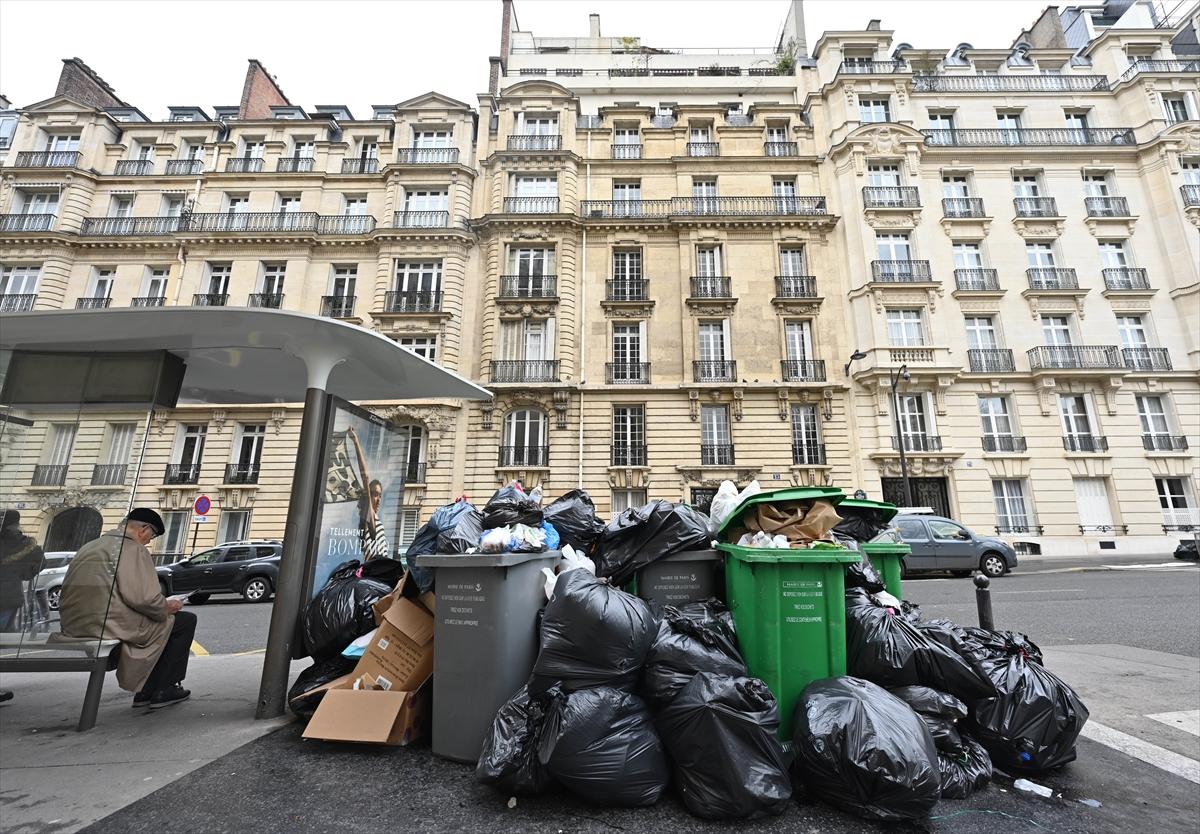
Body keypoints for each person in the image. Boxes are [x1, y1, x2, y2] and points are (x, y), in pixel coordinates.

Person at [59, 508, 197, 709]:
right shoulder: (133, 549)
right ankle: (162, 689)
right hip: (108, 625)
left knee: (166, 622)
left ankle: (146, 690)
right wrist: (167, 606)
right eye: (152, 536)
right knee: (184, 621)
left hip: (74, 626)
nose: (149, 541)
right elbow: (144, 599)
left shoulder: (90, 546)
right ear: (144, 529)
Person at [347, 426, 390, 561]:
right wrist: (356, 442)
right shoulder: (368, 516)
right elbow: (365, 476)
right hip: (375, 568)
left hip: (378, 568)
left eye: (380, 495)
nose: (378, 499)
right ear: (368, 496)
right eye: (375, 494)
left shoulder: (373, 518)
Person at [0, 510, 44, 632]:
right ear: (16, 524)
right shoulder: (25, 544)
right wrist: (22, 574)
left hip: (8, 596)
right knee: (6, 634)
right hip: (9, 596)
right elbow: (40, 563)